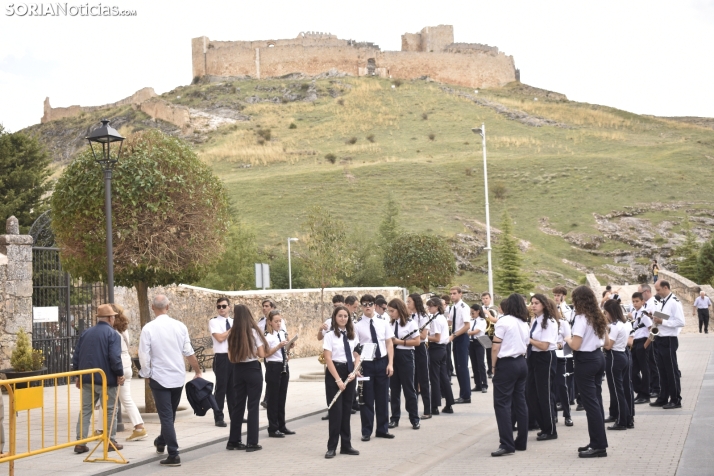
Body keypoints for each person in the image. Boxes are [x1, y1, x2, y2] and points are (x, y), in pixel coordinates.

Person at [139, 295, 203, 466]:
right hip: (177, 376)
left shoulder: (148, 328)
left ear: (152, 307)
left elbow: (143, 355)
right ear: (168, 306)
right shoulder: (180, 326)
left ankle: (173, 453)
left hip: (159, 377)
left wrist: (146, 374)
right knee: (169, 415)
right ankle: (161, 441)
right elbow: (188, 351)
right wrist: (197, 371)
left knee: (167, 416)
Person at [72, 304, 125, 455]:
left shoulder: (86, 333)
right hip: (106, 380)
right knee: (110, 411)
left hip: (87, 379)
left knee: (85, 411)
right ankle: (109, 441)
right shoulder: (112, 334)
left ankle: (80, 442)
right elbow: (115, 358)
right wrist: (120, 374)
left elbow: (76, 355)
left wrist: (77, 375)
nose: (114, 319)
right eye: (113, 316)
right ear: (110, 318)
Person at [564, 286, 610, 458]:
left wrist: (567, 338)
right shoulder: (598, 316)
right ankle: (597, 441)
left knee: (591, 405)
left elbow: (575, 345)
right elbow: (606, 342)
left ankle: (598, 446)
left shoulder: (582, 318)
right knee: (596, 402)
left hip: (586, 361)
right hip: (598, 358)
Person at [490, 294, 530, 457]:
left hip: (507, 363)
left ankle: (506, 443)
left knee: (502, 404)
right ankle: (521, 440)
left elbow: (495, 346)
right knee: (520, 402)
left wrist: (493, 366)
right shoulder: (524, 323)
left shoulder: (504, 321)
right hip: (521, 362)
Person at [225, 304, 269, 452]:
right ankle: (252, 442)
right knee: (253, 406)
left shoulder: (232, 334)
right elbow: (261, 354)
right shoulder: (253, 332)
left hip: (237, 370)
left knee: (238, 406)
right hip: (252, 369)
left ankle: (234, 441)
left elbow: (230, 357)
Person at [354, 294, 395, 441]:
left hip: (382, 362)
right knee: (366, 398)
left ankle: (382, 429)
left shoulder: (383, 322)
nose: (367, 306)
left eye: (370, 303)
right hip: (366, 364)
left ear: (374, 305)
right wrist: (357, 366)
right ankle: (366, 431)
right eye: (364, 304)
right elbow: (356, 348)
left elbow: (389, 343)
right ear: (361, 306)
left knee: (383, 397)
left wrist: (390, 364)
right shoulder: (357, 325)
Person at [323, 306, 361, 458]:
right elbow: (327, 358)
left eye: (346, 316)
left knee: (346, 411)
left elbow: (356, 354)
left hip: (349, 372)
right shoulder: (330, 335)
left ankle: (346, 445)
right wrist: (338, 379)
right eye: (340, 316)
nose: (343, 318)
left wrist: (355, 369)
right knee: (335, 411)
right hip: (335, 373)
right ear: (335, 317)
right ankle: (332, 446)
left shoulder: (352, 334)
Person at [111, 304, 146, 441]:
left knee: (110, 398)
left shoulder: (112, 331)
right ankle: (139, 427)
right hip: (126, 363)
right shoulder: (123, 329)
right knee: (125, 398)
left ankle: (139, 427)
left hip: (118, 365)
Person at [527, 294, 559, 441]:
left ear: (544, 305)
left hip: (545, 357)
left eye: (537, 303)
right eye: (532, 303)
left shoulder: (549, 322)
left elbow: (544, 345)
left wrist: (527, 339)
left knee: (544, 394)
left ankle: (550, 429)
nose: (533, 306)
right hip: (533, 357)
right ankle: (543, 425)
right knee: (530, 393)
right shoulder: (535, 320)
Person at [650, 280, 685, 409]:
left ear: (666, 288)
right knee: (662, 370)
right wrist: (654, 316)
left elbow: (680, 322)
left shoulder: (674, 302)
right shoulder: (664, 300)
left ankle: (675, 399)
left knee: (671, 371)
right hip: (660, 338)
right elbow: (667, 316)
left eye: (658, 290)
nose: (657, 292)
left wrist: (663, 322)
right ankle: (663, 397)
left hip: (669, 339)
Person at [387, 298, 421, 430]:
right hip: (393, 357)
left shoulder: (410, 323)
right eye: (389, 311)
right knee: (394, 389)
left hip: (406, 356)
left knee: (409, 389)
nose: (390, 314)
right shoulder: (390, 324)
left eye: (392, 311)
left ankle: (414, 418)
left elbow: (417, 342)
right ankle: (394, 418)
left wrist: (400, 342)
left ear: (399, 310)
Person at [263, 309, 294, 437]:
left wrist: (288, 348)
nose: (278, 323)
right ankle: (273, 427)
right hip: (273, 367)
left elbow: (283, 350)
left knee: (282, 398)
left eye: (280, 321)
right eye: (276, 321)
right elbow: (265, 354)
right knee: (273, 398)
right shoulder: (267, 336)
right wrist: (278, 347)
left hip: (283, 366)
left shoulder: (281, 333)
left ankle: (282, 425)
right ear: (270, 322)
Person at [603, 300, 632, 430]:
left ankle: (621, 421)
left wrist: (603, 334)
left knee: (617, 391)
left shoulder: (614, 326)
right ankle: (627, 418)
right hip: (622, 355)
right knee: (621, 390)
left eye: (606, 312)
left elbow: (609, 346)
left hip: (615, 357)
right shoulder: (623, 323)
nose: (605, 315)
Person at [426, 297, 454, 415]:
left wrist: (424, 337)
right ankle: (449, 404)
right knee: (444, 377)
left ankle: (434, 406)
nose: (428, 308)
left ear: (437, 307)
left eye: (430, 306)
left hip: (436, 348)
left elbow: (436, 338)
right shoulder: (441, 317)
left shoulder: (436, 319)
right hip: (442, 349)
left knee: (435, 378)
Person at [209, 297, 234, 428]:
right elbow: (220, 338)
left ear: (229, 307)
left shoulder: (233, 321)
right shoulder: (214, 322)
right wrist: (232, 329)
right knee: (221, 388)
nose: (221, 309)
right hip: (221, 357)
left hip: (233, 358)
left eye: (224, 306)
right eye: (219, 306)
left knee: (233, 389)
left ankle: (236, 415)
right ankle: (218, 417)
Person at [407, 293, 432, 417]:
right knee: (413, 379)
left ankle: (428, 409)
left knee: (423, 379)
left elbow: (423, 336)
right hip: (410, 348)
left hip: (420, 347)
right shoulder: (408, 316)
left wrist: (413, 333)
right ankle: (413, 410)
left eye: (409, 302)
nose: (407, 304)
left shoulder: (423, 316)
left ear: (415, 302)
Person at [449, 287, 472, 404]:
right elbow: (450, 322)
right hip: (456, 337)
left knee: (462, 367)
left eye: (454, 294)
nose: (452, 296)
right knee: (458, 367)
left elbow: (467, 326)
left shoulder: (464, 307)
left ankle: (466, 395)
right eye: (451, 294)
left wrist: (454, 335)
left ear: (460, 294)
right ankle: (463, 394)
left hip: (461, 337)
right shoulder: (453, 307)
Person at [629, 292, 653, 404]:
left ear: (642, 301)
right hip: (635, 342)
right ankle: (639, 391)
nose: (635, 303)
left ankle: (645, 394)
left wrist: (645, 345)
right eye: (633, 301)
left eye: (637, 301)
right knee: (633, 371)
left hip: (643, 342)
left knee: (644, 370)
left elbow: (653, 331)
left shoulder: (644, 315)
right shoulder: (635, 313)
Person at [639, 284, 661, 399]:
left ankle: (656, 388)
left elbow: (664, 317)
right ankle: (653, 386)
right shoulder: (648, 304)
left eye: (640, 293)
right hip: (649, 335)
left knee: (654, 363)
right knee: (650, 363)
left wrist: (652, 315)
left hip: (653, 336)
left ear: (647, 292)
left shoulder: (654, 303)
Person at [554, 300, 573, 427]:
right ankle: (553, 415)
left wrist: (561, 346)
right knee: (550, 388)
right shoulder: (542, 322)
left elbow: (568, 340)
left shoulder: (563, 323)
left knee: (562, 386)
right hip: (547, 357)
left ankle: (567, 415)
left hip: (560, 356)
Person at [468, 304, 488, 394]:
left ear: (477, 311)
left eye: (473, 311)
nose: (471, 313)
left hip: (479, 342)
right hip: (471, 342)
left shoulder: (482, 320)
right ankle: (478, 384)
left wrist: (465, 333)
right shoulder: (470, 320)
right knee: (474, 364)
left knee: (481, 364)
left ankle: (484, 384)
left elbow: (476, 331)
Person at [481, 292, 498, 379]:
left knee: (490, 352)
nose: (485, 300)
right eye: (483, 299)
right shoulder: (480, 309)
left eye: (486, 298)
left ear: (490, 299)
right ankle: (481, 371)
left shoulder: (494, 308)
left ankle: (490, 370)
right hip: (483, 332)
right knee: (481, 353)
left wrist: (488, 313)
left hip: (491, 333)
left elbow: (496, 319)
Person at [442, 294, 455, 377]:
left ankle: (450, 370)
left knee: (448, 352)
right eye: (445, 303)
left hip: (449, 331)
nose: (446, 305)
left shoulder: (451, 309)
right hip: (444, 331)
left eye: (447, 303)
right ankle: (448, 371)